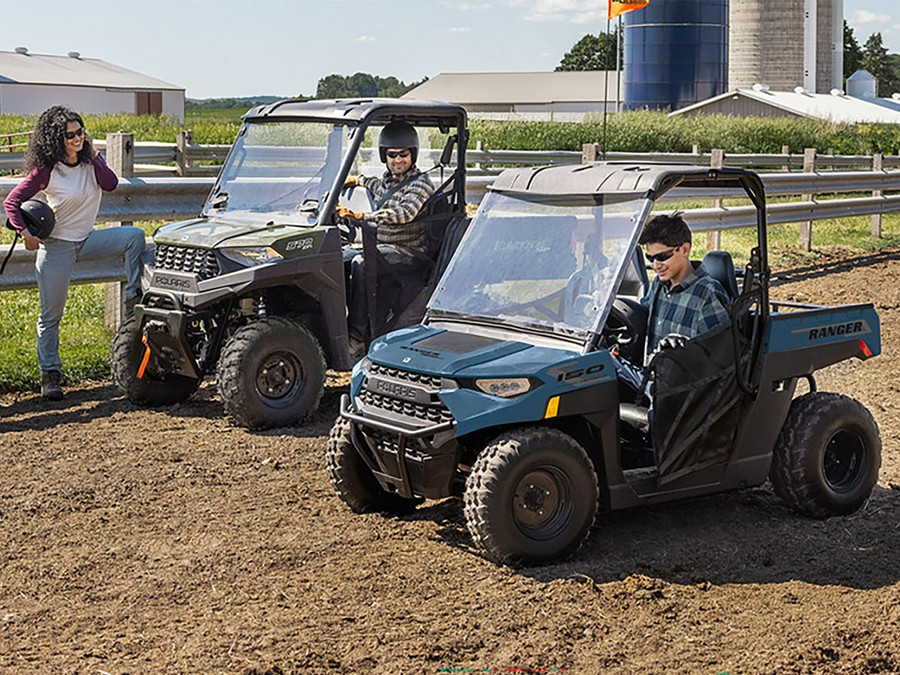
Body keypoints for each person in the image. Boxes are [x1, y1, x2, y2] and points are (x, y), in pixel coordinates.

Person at [3, 105, 145, 401]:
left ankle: (133, 298)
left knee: (135, 237)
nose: (77, 138)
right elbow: (12, 202)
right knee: (50, 316)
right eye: (70, 135)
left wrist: (94, 155)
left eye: (80, 132)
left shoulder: (90, 162)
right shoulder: (47, 171)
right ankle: (50, 375)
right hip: (57, 248)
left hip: (88, 239)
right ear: (56, 139)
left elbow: (112, 184)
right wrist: (25, 234)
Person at [335, 121, 435, 359]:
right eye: (392, 155)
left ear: (413, 155)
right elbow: (370, 183)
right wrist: (354, 179)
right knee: (338, 261)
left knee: (362, 263)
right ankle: (337, 330)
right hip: (383, 248)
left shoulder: (421, 184)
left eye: (403, 154)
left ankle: (357, 338)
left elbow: (404, 213)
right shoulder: (385, 183)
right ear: (384, 156)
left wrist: (361, 216)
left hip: (409, 252)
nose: (397, 160)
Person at [615, 212, 731, 395]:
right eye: (650, 258)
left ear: (684, 250)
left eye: (662, 257)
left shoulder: (708, 293)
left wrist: (684, 348)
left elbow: (719, 357)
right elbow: (640, 315)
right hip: (649, 380)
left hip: (681, 392)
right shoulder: (659, 285)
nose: (655, 265)